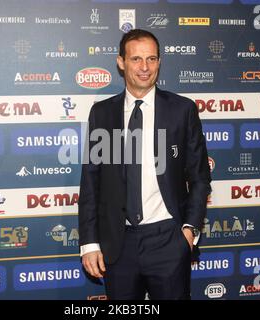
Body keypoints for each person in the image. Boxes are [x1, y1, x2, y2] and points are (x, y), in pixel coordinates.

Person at [78, 29, 211, 300]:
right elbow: (91, 181)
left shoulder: (182, 110)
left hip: (168, 240)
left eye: (151, 59)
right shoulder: (102, 113)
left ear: (159, 62)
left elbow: (200, 176)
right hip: (118, 244)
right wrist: (89, 243)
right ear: (121, 62)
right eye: (136, 59)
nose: (144, 67)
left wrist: (189, 231)